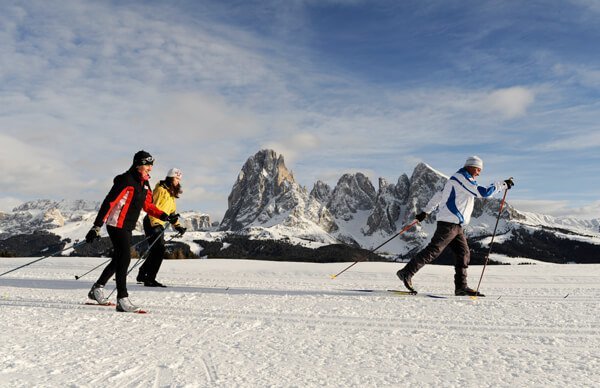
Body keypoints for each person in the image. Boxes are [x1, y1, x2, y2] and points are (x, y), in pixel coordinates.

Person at [396, 156, 514, 297]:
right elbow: (483, 193)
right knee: (434, 250)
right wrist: (502, 185)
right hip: (449, 223)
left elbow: (439, 195)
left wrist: (425, 212)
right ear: (470, 167)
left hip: (456, 225)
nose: (479, 173)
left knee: (463, 253)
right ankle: (406, 272)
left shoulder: (456, 180)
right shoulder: (461, 178)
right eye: (478, 169)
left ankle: (461, 288)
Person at [85, 150, 179, 312]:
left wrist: (165, 216)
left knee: (118, 259)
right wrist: (97, 226)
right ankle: (122, 298)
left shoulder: (145, 183)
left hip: (127, 226)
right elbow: (109, 202)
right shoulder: (126, 180)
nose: (150, 168)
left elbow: (148, 206)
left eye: (151, 165)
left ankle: (97, 288)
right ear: (138, 164)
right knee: (125, 258)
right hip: (116, 224)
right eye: (147, 164)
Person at [136, 168, 187, 287]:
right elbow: (153, 207)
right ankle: (150, 279)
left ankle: (143, 274)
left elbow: (172, 213)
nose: (178, 181)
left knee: (156, 250)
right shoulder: (160, 190)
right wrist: (155, 224)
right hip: (152, 222)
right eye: (176, 178)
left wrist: (178, 226)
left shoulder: (171, 194)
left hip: (159, 223)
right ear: (170, 177)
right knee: (159, 250)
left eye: (179, 179)